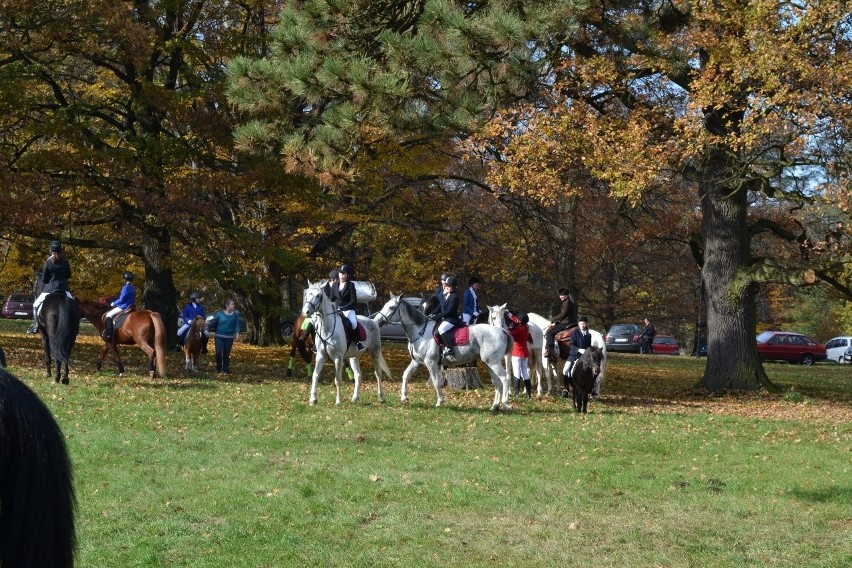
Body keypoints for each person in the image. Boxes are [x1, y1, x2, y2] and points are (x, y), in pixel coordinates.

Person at [28, 240, 72, 334]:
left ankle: (35, 325)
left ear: (51, 250)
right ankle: (74, 326)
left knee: (35, 305)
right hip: (64, 289)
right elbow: (69, 275)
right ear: (61, 250)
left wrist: (49, 280)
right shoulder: (65, 262)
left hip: (49, 289)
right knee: (73, 305)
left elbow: (44, 279)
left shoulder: (48, 262)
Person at [330, 264, 364, 351]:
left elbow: (353, 301)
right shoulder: (334, 286)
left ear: (347, 275)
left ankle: (358, 342)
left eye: (344, 273)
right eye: (340, 273)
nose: (342, 275)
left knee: (353, 323)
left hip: (348, 310)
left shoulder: (350, 285)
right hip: (336, 310)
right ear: (338, 274)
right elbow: (331, 299)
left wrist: (343, 307)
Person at [429, 276, 462, 357]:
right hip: (446, 319)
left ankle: (450, 349)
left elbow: (448, 311)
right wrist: (432, 313)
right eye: (446, 285)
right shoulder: (446, 295)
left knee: (441, 329)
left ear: (453, 287)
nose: (446, 287)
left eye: (448, 286)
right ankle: (441, 346)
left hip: (452, 320)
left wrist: (436, 316)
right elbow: (440, 306)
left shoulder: (454, 297)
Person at [207, 298, 242, 374]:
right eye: (232, 304)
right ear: (227, 305)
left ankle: (225, 369)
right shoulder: (220, 314)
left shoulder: (235, 315)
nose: (233, 305)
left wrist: (237, 334)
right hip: (219, 337)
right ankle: (218, 368)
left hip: (229, 337)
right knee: (218, 353)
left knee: (226, 354)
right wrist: (207, 324)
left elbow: (237, 325)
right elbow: (213, 322)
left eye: (233, 304)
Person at [563, 316, 592, 397]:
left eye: (584, 323)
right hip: (574, 354)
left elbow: (589, 346)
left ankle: (589, 390)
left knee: (592, 371)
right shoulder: (574, 333)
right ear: (578, 324)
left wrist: (587, 352)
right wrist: (579, 350)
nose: (583, 325)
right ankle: (565, 388)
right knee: (565, 369)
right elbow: (572, 345)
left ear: (587, 324)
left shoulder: (589, 335)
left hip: (585, 356)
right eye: (581, 323)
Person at [102, 272, 136, 341]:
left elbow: (122, 299)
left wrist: (113, 303)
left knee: (109, 314)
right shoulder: (133, 288)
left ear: (125, 280)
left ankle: (109, 334)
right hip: (131, 306)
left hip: (124, 306)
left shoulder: (125, 287)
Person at [545, 287, 575, 359]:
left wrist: (552, 319)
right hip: (568, 321)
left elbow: (562, 315)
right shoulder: (568, 301)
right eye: (560, 295)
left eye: (563, 295)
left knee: (549, 333)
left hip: (566, 322)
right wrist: (556, 322)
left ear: (567, 295)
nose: (561, 296)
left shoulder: (566, 302)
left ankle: (550, 351)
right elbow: (564, 315)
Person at [508, 312, 533, 398]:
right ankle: (529, 395)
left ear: (520, 320)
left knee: (516, 373)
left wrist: (510, 327)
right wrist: (510, 315)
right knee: (525, 373)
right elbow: (516, 321)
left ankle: (516, 394)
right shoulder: (526, 327)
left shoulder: (519, 329)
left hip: (517, 353)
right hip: (524, 353)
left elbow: (511, 333)